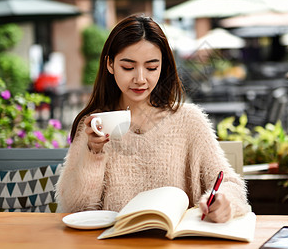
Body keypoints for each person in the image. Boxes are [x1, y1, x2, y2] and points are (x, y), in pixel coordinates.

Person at [55, 14, 251, 223]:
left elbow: (230, 184)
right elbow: (75, 208)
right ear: (110, 65)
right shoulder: (95, 124)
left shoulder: (189, 121)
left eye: (151, 68)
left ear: (163, 66)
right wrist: (94, 153)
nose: (140, 79)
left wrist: (223, 202)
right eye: (128, 67)